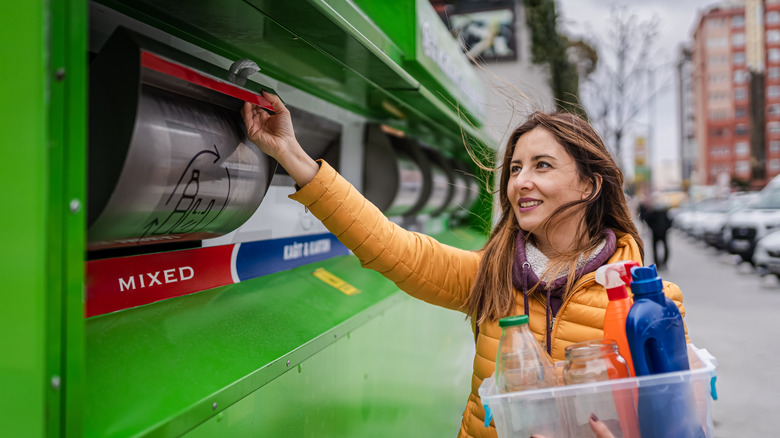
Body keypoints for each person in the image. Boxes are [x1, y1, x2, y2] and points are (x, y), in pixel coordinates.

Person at [241, 92, 687, 438]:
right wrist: (292, 156)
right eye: (514, 169)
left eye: (542, 165)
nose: (521, 182)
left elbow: (678, 422)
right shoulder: (490, 276)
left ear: (589, 184)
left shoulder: (652, 304)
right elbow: (389, 246)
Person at [639, 196, 672, 270]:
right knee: (658, 248)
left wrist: (665, 228)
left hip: (661, 232)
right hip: (658, 232)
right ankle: (660, 263)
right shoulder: (653, 212)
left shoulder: (661, 212)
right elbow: (647, 219)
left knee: (661, 248)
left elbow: (669, 221)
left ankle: (662, 263)